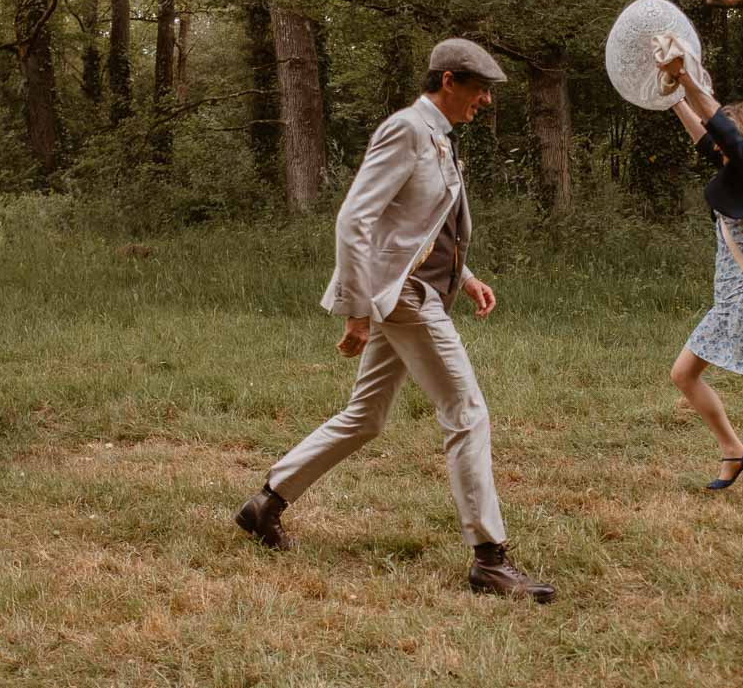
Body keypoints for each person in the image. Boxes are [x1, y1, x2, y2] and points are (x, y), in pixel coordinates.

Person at [235, 38, 556, 602]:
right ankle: (489, 559)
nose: (485, 101)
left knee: (366, 416)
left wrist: (468, 273)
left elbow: (417, 224)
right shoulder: (407, 128)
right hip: (404, 297)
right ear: (450, 80)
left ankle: (266, 504)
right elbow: (355, 220)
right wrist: (357, 310)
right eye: (480, 90)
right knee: (466, 409)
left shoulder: (439, 137)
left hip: (418, 287)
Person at [657, 46, 743, 516]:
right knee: (683, 374)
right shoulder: (737, 169)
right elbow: (707, 136)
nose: (715, 147)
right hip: (727, 299)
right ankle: (736, 452)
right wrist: (674, 96)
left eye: (725, 136)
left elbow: (722, 137)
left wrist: (693, 84)